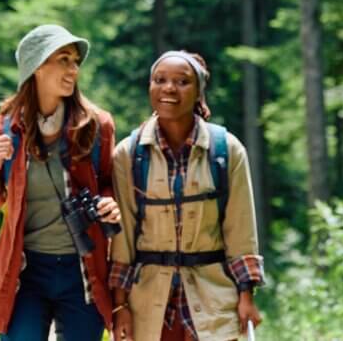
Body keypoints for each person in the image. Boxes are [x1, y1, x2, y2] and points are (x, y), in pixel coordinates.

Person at [110, 51, 264, 341]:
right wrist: (120, 306)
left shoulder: (226, 151)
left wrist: (246, 296)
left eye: (182, 81)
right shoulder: (128, 155)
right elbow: (123, 239)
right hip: (149, 303)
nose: (169, 88)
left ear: (198, 93)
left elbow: (241, 230)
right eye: (160, 80)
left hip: (212, 298)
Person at [0, 24, 120, 340]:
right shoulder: (0, 129)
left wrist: (109, 202)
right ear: (38, 65)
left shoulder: (98, 126)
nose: (74, 69)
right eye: (64, 59)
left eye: (75, 62)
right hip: (25, 271)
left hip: (82, 269)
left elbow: (110, 182)